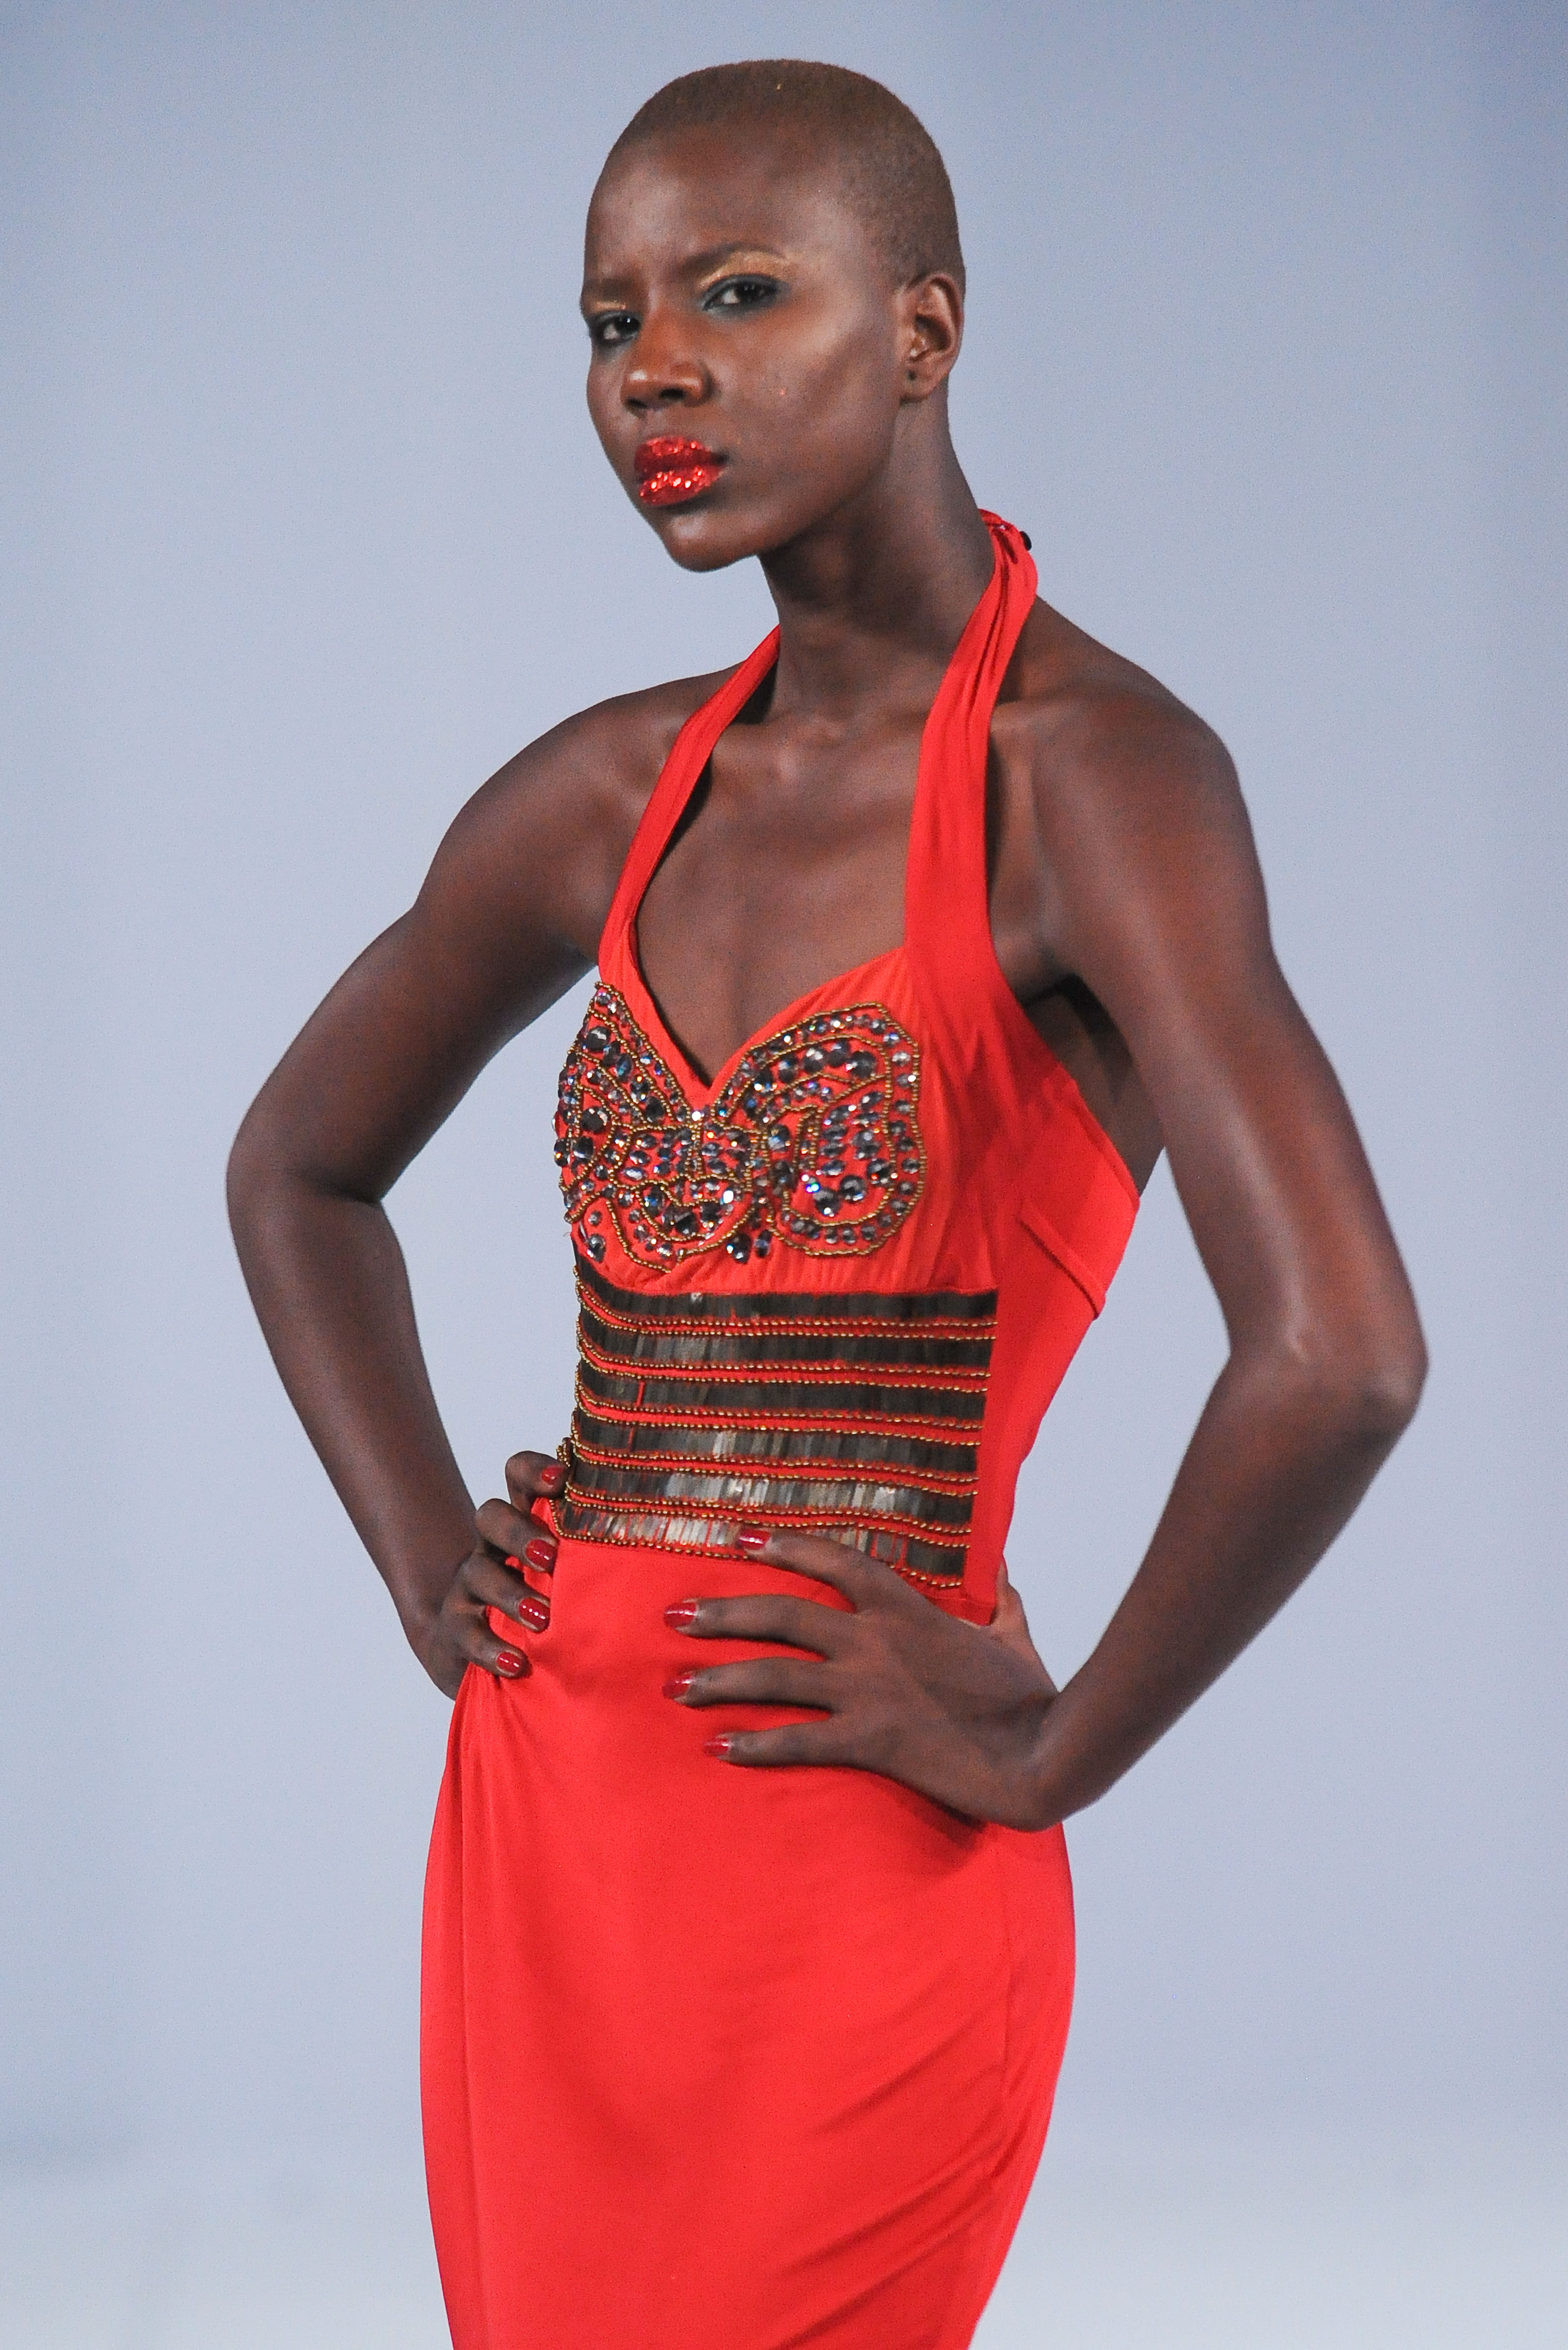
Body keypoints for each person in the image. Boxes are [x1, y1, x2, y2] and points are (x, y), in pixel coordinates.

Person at [227, 58, 1425, 2350]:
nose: (652, 370)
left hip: (857, 1827)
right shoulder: (602, 792)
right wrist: (419, 1556)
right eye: (609, 322)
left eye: (737, 293)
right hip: (551, 1812)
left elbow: (1338, 1356)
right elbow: (295, 1169)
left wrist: (1050, 1752)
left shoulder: (1097, 784)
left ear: (924, 329)